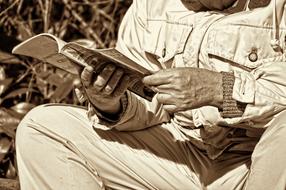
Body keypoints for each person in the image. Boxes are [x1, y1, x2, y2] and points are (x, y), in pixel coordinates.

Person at [16, 0, 286, 189]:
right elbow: (150, 105)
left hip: (255, 164)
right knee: (43, 127)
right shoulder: (149, 6)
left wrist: (220, 89)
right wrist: (110, 102)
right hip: (180, 155)